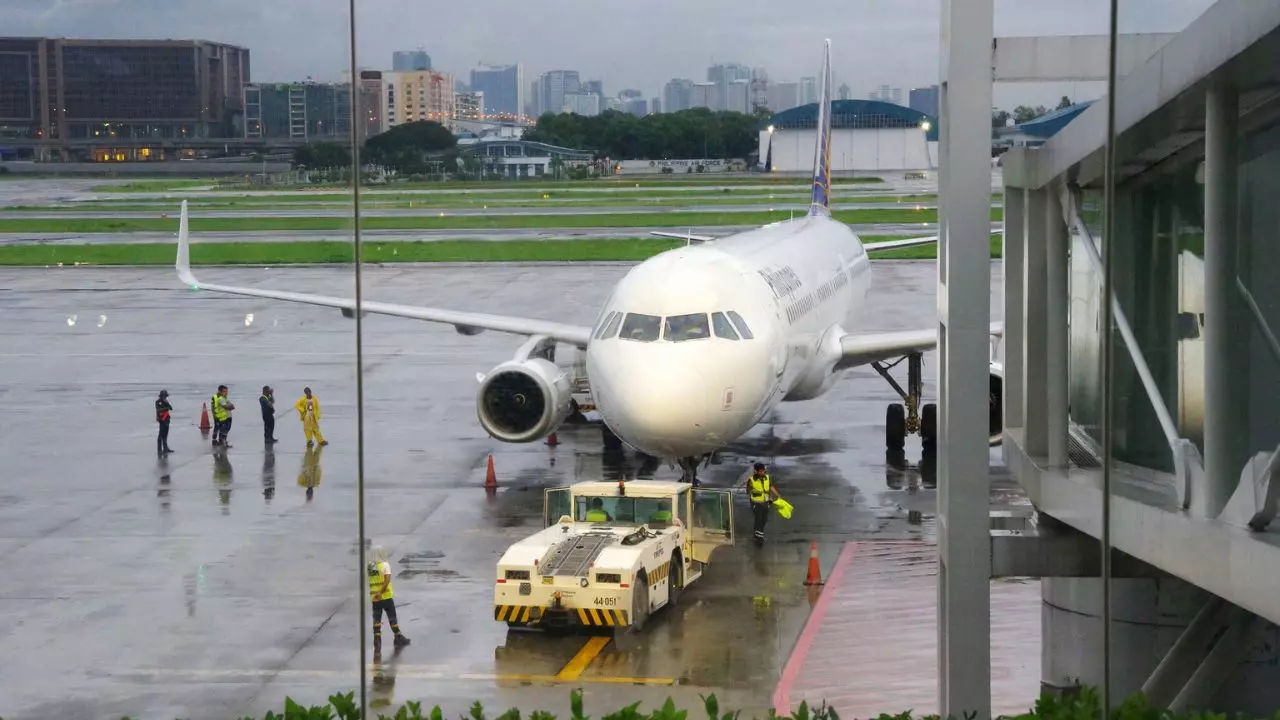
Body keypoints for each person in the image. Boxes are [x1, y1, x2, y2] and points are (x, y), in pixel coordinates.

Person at [368, 546, 410, 649]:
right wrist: (381, 592)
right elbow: (387, 580)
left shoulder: (370, 566)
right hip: (385, 596)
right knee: (392, 617)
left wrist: (377, 593)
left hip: (375, 597)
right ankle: (398, 637)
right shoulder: (385, 565)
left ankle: (377, 639)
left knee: (377, 619)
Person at [746, 462, 780, 541]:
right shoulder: (751, 480)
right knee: (759, 518)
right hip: (756, 503)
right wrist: (752, 489)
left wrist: (777, 495)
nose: (762, 472)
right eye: (760, 471)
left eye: (763, 470)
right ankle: (759, 537)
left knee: (764, 519)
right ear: (756, 471)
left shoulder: (767, 477)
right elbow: (747, 491)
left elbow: (770, 486)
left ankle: (757, 533)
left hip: (765, 502)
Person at [155, 390, 173, 455]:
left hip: (167, 420)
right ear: (161, 396)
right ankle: (159, 450)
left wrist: (167, 404)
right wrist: (166, 408)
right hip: (162, 420)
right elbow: (159, 409)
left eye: (165, 396)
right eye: (164, 396)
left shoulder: (166, 402)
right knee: (160, 435)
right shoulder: (158, 402)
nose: (165, 397)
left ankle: (166, 448)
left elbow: (171, 408)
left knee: (165, 435)